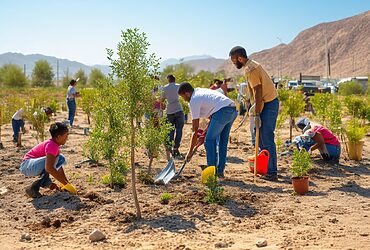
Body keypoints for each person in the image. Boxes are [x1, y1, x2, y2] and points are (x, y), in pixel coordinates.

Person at [229, 46, 279, 181]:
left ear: (240, 58)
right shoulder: (251, 66)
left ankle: (272, 171)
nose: (234, 63)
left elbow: (258, 91)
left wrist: (256, 113)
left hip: (268, 104)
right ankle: (264, 168)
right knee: (261, 137)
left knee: (267, 137)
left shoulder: (251, 70)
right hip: (264, 103)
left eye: (234, 61)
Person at [178, 82, 237, 178]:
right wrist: (204, 133)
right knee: (222, 142)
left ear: (187, 93)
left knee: (209, 141)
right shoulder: (200, 92)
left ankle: (212, 171)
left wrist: (189, 152)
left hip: (222, 112)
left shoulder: (194, 99)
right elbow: (212, 119)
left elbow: (195, 130)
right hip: (232, 110)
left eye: (183, 97)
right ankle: (219, 171)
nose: (183, 99)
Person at [19, 122, 76, 198]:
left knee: (58, 159)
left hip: (30, 165)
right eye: (66, 135)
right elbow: (49, 168)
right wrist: (66, 184)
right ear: (58, 137)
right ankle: (33, 188)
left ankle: (44, 184)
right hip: (27, 165)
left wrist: (67, 183)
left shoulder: (54, 145)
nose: (67, 138)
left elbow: (58, 168)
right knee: (54, 161)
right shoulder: (52, 146)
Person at [161, 74, 185, 159]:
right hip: (178, 109)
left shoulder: (165, 88)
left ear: (168, 80)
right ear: (174, 79)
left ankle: (170, 149)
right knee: (179, 130)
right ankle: (176, 148)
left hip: (169, 111)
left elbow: (162, 101)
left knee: (170, 131)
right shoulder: (179, 86)